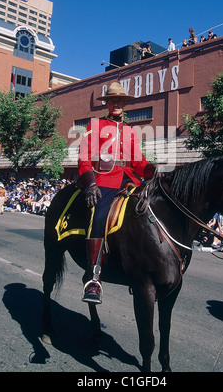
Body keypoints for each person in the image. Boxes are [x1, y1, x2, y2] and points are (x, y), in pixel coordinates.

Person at [77, 82, 155, 304]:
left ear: (125, 104)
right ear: (108, 104)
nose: (117, 104)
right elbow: (84, 158)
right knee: (99, 215)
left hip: (129, 179)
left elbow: (138, 161)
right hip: (105, 178)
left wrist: (151, 169)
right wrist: (90, 182)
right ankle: (94, 278)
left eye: (120, 100)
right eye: (112, 100)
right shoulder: (96, 125)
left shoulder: (131, 131)